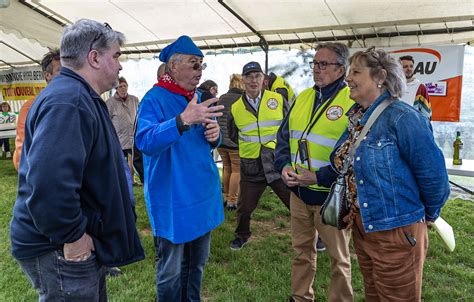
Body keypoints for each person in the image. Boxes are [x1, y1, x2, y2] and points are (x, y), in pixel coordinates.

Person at [9, 19, 145, 301]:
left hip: (69, 243)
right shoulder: (68, 102)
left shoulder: (78, 96)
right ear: (94, 57)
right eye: (116, 55)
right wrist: (72, 237)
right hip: (60, 248)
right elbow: (48, 184)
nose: (120, 66)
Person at [334, 47, 450, 301]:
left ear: (380, 77)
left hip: (396, 230)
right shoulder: (358, 118)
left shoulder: (402, 117)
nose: (348, 78)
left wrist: (422, 217)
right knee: (374, 295)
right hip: (365, 227)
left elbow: (434, 177)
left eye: (355, 72)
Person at [135, 35, 224, 301]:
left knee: (196, 264)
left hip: (202, 194)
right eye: (194, 64)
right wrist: (182, 120)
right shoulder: (154, 98)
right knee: (171, 271)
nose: (200, 71)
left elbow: (208, 140)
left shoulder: (198, 97)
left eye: (201, 65)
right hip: (173, 197)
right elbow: (145, 141)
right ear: (173, 67)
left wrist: (215, 135)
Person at [274, 42, 354, 302]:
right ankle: (300, 298)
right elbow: (283, 138)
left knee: (339, 260)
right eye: (314, 63)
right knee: (301, 252)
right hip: (299, 193)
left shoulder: (351, 101)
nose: (316, 69)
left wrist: (318, 177)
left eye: (323, 64)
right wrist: (284, 165)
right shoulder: (303, 97)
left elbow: (352, 155)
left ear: (341, 69)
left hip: (332, 196)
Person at [228, 61, 291, 250]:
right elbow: (233, 134)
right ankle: (242, 236)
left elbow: (289, 127)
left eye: (257, 76)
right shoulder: (236, 107)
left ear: (263, 79)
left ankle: (314, 235)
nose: (253, 80)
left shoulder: (278, 99)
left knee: (294, 203)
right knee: (244, 207)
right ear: (243, 80)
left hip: (277, 162)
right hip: (251, 165)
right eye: (249, 77)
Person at [13, 49, 61, 170]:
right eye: (61, 70)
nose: (68, 74)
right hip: (41, 176)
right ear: (47, 75)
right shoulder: (32, 106)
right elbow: (24, 152)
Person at [217, 74, 244, 210]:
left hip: (221, 141)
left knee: (226, 168)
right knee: (237, 171)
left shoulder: (222, 98)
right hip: (234, 142)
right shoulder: (242, 99)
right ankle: (232, 201)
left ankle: (225, 196)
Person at [106, 76, 140, 184]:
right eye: (120, 86)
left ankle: (132, 179)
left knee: (132, 158)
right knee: (120, 161)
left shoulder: (134, 99)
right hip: (119, 136)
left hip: (133, 135)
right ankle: (122, 179)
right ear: (116, 88)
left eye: (125, 86)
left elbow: (140, 115)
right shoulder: (110, 102)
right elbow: (107, 119)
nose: (123, 88)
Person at [399, 55, 432, 119]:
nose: (409, 69)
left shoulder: (420, 87)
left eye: (411, 66)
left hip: (412, 126)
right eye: (405, 66)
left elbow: (426, 114)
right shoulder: (393, 86)